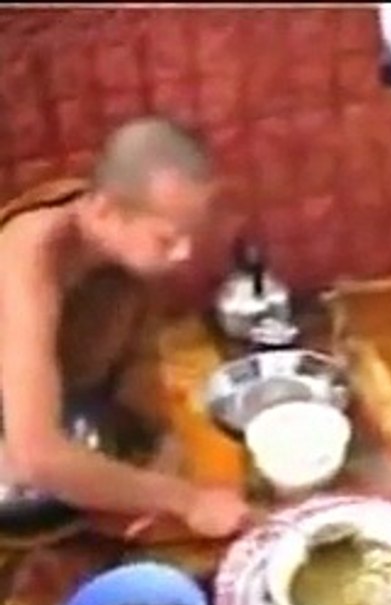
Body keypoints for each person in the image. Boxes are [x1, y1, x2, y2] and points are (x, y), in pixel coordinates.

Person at [0, 116, 251, 540]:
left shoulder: (124, 254)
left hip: (70, 404)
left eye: (189, 237)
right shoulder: (28, 262)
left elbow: (138, 358)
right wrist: (185, 500)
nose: (184, 254)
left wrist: (162, 441)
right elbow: (37, 457)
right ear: (103, 211)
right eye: (167, 239)